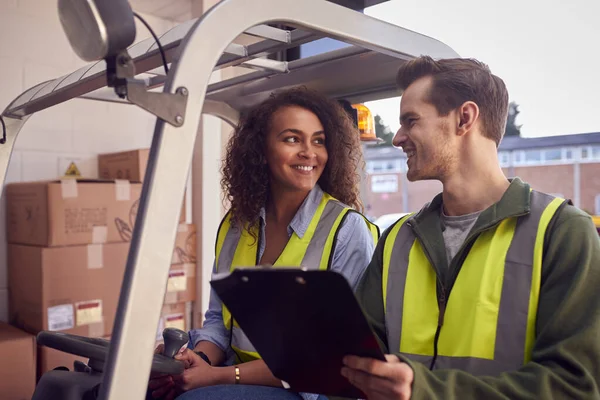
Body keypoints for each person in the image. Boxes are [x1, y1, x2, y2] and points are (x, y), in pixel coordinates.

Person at [340, 56, 600, 399]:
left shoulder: (562, 232)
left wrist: (424, 390)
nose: (398, 137)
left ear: (464, 118)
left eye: (411, 121)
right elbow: (355, 360)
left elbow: (574, 388)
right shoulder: (397, 240)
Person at [148, 87, 379, 400]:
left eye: (318, 140)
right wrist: (198, 361)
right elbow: (218, 321)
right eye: (292, 139)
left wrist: (218, 377)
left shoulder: (347, 231)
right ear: (261, 149)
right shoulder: (235, 226)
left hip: (310, 390)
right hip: (236, 374)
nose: (309, 152)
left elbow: (325, 357)